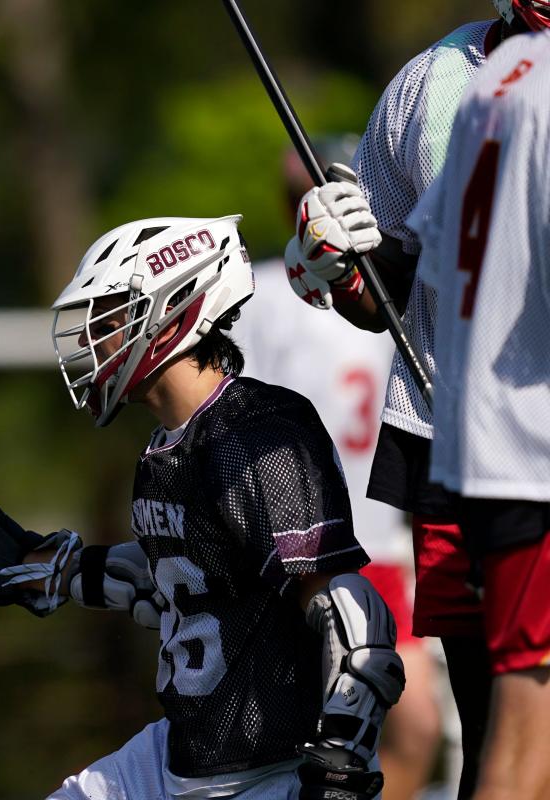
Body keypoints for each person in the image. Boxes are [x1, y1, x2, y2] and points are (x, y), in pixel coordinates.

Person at [0, 216, 405, 800]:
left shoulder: (256, 431)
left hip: (265, 769)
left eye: (114, 316)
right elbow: (190, 583)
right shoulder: (165, 446)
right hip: (178, 754)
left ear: (174, 310)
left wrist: (343, 758)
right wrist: (51, 568)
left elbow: (343, 607)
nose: (95, 339)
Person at [280, 4, 548, 793]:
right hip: (451, 442)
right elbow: (391, 290)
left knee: (517, 734)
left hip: (511, 441)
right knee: (497, 719)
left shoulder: (506, 88)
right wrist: (344, 263)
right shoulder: (437, 84)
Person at [237, 135, 443, 800]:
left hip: (382, 542)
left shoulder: (395, 293)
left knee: (413, 730)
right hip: (303, 546)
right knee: (325, 728)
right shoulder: (262, 295)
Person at [406, 27, 550, 800]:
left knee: (518, 737)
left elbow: (425, 254)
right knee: (524, 751)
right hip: (536, 454)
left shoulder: (497, 76)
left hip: (486, 454)